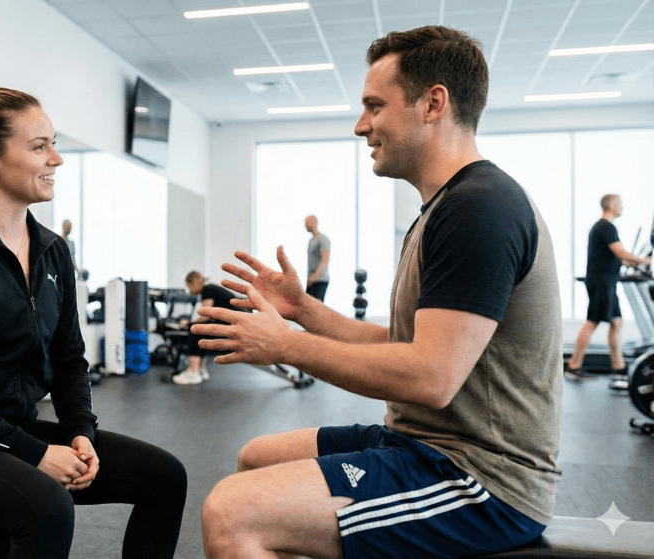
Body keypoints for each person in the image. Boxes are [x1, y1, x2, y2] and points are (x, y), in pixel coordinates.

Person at [194, 26, 562, 558]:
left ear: (433, 103)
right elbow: (403, 341)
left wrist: (283, 347)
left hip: (482, 478)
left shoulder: (480, 209)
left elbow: (431, 377)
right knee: (257, 457)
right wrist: (301, 311)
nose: (360, 125)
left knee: (232, 511)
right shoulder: (445, 208)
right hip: (420, 444)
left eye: (374, 106)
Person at [0, 88, 186, 559]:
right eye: (39, 146)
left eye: (54, 143)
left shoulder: (52, 249)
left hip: (14, 434)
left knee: (164, 476)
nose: (57, 159)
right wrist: (36, 454)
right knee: (47, 506)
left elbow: (69, 357)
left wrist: (80, 431)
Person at [565, 194, 651, 383]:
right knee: (593, 321)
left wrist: (637, 264)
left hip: (607, 281)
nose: (622, 207)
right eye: (620, 203)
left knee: (616, 323)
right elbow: (620, 252)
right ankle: (573, 366)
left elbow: (619, 257)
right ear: (611, 205)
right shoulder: (606, 226)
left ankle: (618, 368)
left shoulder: (605, 227)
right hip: (601, 282)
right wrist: (647, 261)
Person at [171, 270, 244, 385]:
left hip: (237, 325)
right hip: (236, 324)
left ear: (194, 283)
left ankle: (193, 372)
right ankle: (200, 370)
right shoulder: (211, 289)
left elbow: (206, 314)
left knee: (195, 331)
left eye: (189, 286)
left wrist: (190, 323)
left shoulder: (208, 290)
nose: (189, 290)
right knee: (201, 331)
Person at [305, 215, 330, 301]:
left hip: (320, 280)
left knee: (317, 309)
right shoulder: (311, 240)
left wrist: (314, 277)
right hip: (311, 280)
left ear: (314, 222)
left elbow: (325, 259)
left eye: (307, 222)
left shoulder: (322, 239)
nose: (305, 225)